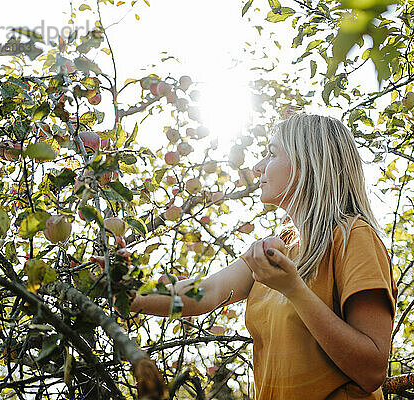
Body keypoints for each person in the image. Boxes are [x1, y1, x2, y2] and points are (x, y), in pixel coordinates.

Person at [130, 113, 398, 399]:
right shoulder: (280, 245)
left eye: (271, 154)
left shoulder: (353, 237)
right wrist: (124, 295)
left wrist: (294, 289)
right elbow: (207, 292)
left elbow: (371, 371)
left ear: (306, 163)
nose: (258, 168)